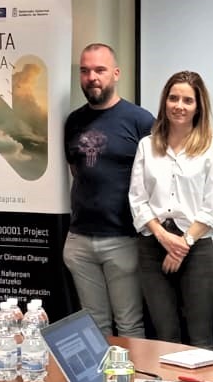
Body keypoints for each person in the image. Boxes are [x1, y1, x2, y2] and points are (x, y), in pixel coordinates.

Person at [128, 70, 213, 350]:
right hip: (153, 246)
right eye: (173, 98)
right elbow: (137, 199)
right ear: (164, 102)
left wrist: (183, 244)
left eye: (187, 100)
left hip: (198, 248)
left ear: (199, 106)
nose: (179, 106)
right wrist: (164, 238)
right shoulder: (147, 146)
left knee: (200, 339)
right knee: (165, 338)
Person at [63, 43, 155, 337]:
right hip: (79, 239)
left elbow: (157, 179)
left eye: (100, 70)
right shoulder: (74, 121)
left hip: (123, 239)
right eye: (85, 70)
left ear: (116, 74)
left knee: (129, 325)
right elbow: (75, 169)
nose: (92, 77)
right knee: (94, 328)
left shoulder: (140, 120)